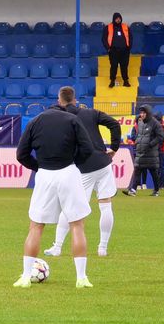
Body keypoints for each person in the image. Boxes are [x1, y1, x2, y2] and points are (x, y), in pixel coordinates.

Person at [14, 97, 97, 288]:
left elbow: (21, 154)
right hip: (68, 172)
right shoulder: (72, 120)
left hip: (45, 175)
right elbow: (88, 148)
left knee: (36, 226)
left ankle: (26, 277)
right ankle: (81, 278)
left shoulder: (35, 121)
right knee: (77, 225)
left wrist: (39, 166)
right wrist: (75, 161)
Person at [44, 87, 122, 258]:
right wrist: (115, 147)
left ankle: (57, 247)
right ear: (75, 99)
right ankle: (103, 248)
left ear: (60, 100)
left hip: (83, 167)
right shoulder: (90, 113)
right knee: (106, 204)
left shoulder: (63, 119)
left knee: (69, 207)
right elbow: (114, 124)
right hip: (103, 163)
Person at [123, 105, 164, 197]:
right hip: (141, 151)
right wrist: (138, 143)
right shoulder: (140, 122)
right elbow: (139, 135)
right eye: (141, 113)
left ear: (148, 113)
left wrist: (151, 144)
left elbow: (160, 136)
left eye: (143, 113)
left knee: (153, 172)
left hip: (151, 153)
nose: (141, 115)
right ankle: (133, 190)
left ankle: (156, 190)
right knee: (137, 170)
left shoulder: (155, 123)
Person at [103, 12, 133, 88]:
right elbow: (104, 39)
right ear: (114, 19)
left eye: (119, 18)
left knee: (124, 66)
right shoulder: (108, 27)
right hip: (113, 51)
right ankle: (112, 81)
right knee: (114, 66)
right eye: (117, 18)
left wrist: (129, 48)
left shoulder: (126, 27)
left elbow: (131, 38)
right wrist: (108, 48)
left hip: (124, 51)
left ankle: (126, 81)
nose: (118, 20)